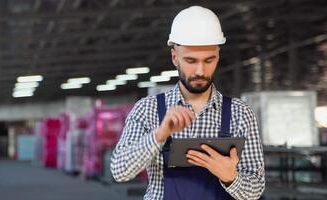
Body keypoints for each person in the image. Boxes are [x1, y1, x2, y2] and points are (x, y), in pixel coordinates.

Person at [111, 5, 265, 200]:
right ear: (175, 57)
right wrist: (159, 135)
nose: (200, 70)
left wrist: (231, 178)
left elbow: (256, 188)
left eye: (209, 60)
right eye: (191, 61)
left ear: (218, 57)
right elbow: (120, 171)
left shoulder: (240, 114)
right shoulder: (147, 109)